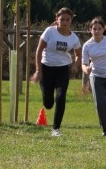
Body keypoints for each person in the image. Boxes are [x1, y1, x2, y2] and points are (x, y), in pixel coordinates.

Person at [31, 8, 82, 137]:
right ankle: (47, 98)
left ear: (71, 21)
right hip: (46, 68)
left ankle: (56, 129)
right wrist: (38, 70)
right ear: (57, 19)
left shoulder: (74, 38)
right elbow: (39, 50)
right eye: (62, 19)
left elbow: (78, 54)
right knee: (48, 104)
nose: (65, 22)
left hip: (63, 69)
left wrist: (76, 65)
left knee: (60, 97)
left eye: (67, 20)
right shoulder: (49, 31)